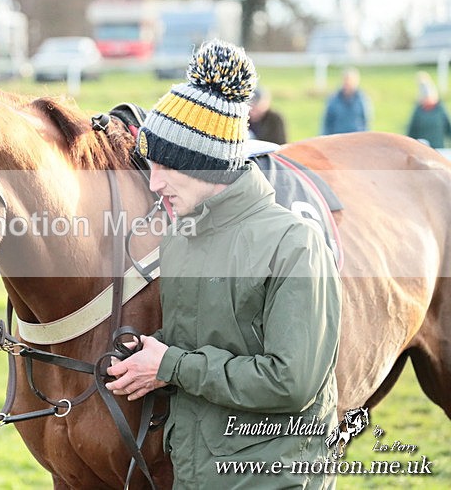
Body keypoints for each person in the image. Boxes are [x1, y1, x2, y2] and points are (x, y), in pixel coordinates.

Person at [106, 40, 342, 488]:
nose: (153, 184)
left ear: (204, 165)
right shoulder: (181, 238)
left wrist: (170, 365)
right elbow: (202, 343)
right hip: (195, 475)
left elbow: (291, 382)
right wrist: (146, 355)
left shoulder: (294, 245)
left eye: (163, 168)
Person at [406, 71, 451, 149]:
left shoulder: (440, 110)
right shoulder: (418, 112)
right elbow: (412, 131)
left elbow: (448, 128)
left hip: (438, 147)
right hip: (422, 149)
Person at [320, 67, 370, 135]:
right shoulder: (333, 100)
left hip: (356, 137)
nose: (348, 83)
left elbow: (366, 121)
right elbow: (327, 123)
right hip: (338, 138)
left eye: (350, 81)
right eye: (346, 80)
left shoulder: (362, 99)